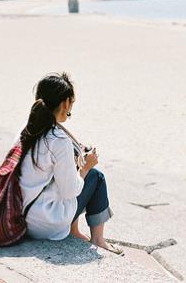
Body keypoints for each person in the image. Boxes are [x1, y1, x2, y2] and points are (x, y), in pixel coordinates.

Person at [17, 72, 122, 255]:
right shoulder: (59, 139)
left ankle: (74, 231)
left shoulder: (28, 130)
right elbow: (70, 191)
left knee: (70, 172)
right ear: (65, 103)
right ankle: (98, 239)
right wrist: (86, 166)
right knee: (96, 177)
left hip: (21, 216)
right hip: (45, 224)